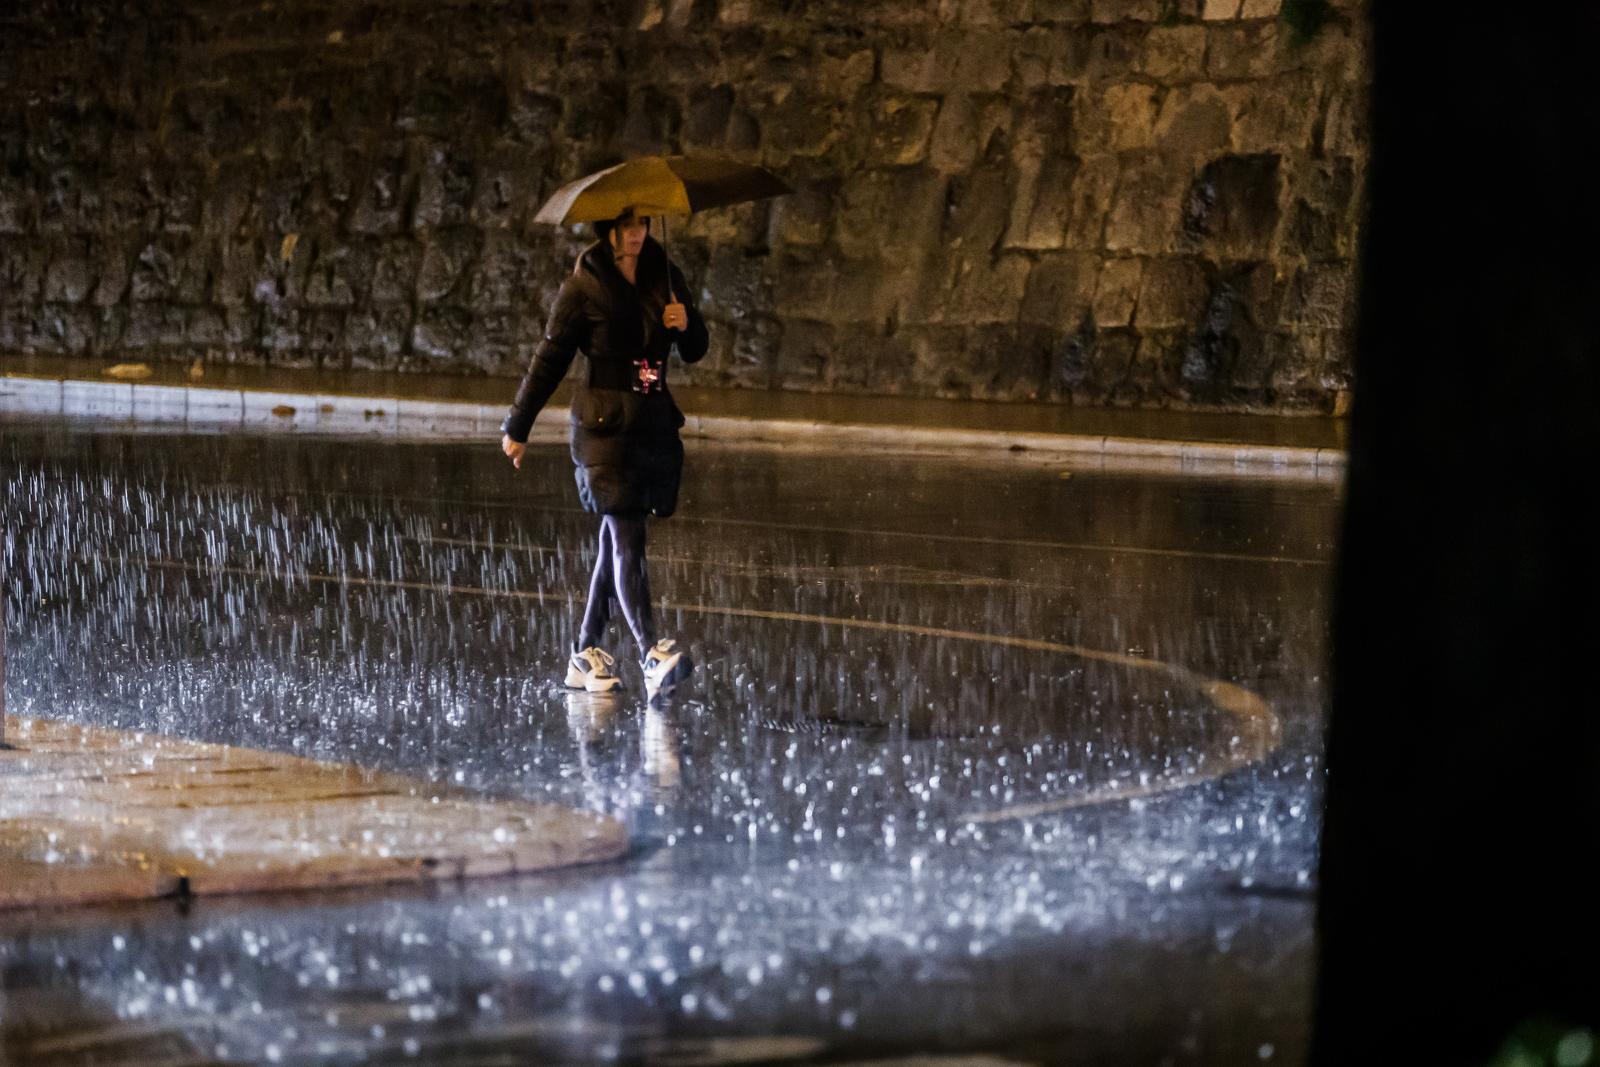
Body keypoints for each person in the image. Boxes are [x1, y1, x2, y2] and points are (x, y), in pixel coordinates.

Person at [500, 206, 708, 700]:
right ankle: (650, 652)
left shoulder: (665, 273)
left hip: (651, 424)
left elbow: (696, 347)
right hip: (602, 428)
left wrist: (686, 323)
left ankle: (584, 654)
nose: (637, 234)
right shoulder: (584, 286)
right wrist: (519, 423)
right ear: (608, 228)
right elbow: (549, 357)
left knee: (615, 541)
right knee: (627, 533)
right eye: (627, 225)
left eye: (643, 225)